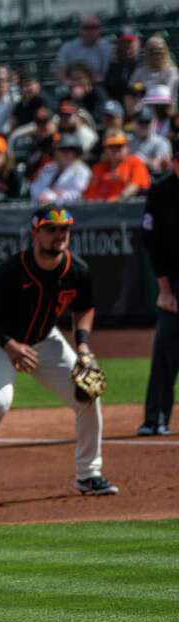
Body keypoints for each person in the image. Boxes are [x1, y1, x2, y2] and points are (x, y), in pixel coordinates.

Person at [0, 205, 117, 506]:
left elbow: (84, 307)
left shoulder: (77, 270)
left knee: (87, 393)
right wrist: (10, 346)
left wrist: (83, 346)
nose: (59, 235)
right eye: (51, 229)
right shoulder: (9, 270)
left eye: (64, 230)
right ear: (35, 233)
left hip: (44, 340)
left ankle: (88, 474)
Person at [137, 155, 179, 436]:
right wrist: (165, 290)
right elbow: (152, 243)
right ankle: (155, 418)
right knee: (166, 351)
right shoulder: (162, 192)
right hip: (174, 282)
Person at [83, 131, 150, 201]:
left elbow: (135, 185)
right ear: (106, 150)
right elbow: (90, 192)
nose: (115, 150)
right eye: (111, 147)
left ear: (127, 148)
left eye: (119, 146)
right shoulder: (98, 167)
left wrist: (118, 198)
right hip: (98, 206)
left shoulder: (135, 163)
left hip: (122, 206)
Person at [30, 134, 90, 204]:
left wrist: (54, 196)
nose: (67, 154)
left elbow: (78, 194)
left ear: (76, 153)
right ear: (55, 152)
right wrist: (46, 195)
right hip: (42, 209)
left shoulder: (81, 171)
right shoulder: (48, 168)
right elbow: (34, 189)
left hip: (71, 211)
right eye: (63, 150)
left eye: (71, 150)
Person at [55, 15, 111, 84]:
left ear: (100, 30)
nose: (90, 31)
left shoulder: (106, 47)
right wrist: (74, 84)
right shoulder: (67, 47)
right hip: (73, 84)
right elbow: (61, 72)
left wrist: (88, 85)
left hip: (98, 84)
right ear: (80, 30)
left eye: (94, 27)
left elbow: (106, 74)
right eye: (86, 28)